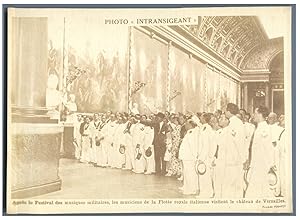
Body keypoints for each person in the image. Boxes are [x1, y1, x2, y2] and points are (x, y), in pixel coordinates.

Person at [246, 106, 275, 198]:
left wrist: (269, 166)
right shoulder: (259, 128)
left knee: (259, 192)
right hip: (257, 165)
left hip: (261, 166)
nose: (253, 115)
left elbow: (268, 149)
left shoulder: (264, 129)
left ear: (260, 114)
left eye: (255, 113)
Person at [221, 103, 248, 198]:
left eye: (225, 110)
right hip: (230, 159)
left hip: (235, 160)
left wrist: (244, 159)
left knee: (236, 184)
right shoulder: (232, 123)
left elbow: (240, 143)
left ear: (229, 111)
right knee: (230, 183)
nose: (224, 112)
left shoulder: (236, 123)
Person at [196, 113, 217, 198]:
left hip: (205, 156)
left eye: (201, 117)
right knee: (204, 176)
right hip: (205, 155)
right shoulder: (205, 127)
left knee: (205, 176)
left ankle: (206, 193)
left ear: (204, 119)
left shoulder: (206, 129)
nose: (200, 118)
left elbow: (206, 145)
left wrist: (202, 157)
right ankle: (206, 192)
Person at [178, 119, 199, 195]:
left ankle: (191, 189)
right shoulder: (190, 132)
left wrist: (195, 156)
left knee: (190, 174)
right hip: (186, 157)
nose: (185, 125)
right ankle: (187, 187)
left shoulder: (191, 132)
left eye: (186, 124)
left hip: (189, 157)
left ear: (190, 125)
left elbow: (193, 145)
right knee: (186, 173)